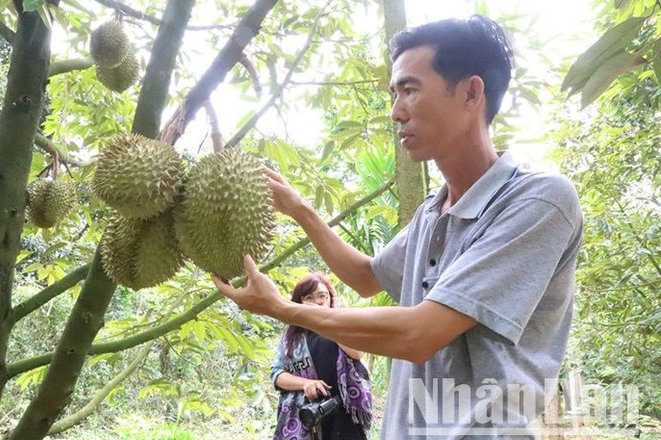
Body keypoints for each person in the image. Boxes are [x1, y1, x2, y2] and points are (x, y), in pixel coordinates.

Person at [215, 14, 583, 439]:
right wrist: (301, 210)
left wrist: (283, 309)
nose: (395, 111)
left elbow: (420, 334)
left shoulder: (537, 200)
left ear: (471, 92)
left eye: (409, 89)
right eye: (394, 93)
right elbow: (367, 277)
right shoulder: (432, 211)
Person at [270, 273, 372, 440]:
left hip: (343, 413)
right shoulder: (291, 335)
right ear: (299, 302)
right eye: (309, 297)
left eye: (322, 296)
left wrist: (326, 322)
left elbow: (357, 353)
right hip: (306, 414)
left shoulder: (343, 324)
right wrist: (306, 384)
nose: (317, 302)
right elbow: (277, 374)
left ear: (330, 299)